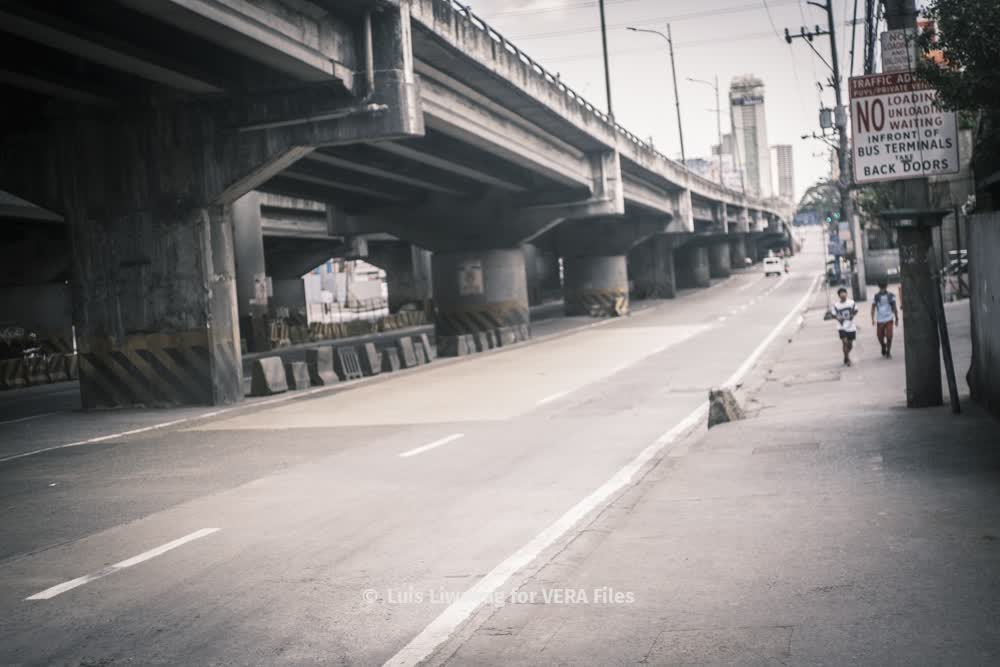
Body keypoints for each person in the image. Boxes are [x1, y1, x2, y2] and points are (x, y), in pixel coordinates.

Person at [871, 279, 900, 358]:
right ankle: (883, 346)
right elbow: (873, 308)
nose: (883, 289)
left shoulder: (891, 296)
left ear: (886, 286)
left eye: (884, 287)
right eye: (881, 287)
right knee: (879, 336)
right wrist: (872, 319)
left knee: (889, 336)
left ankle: (888, 351)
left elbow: (894, 307)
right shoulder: (876, 296)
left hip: (889, 318)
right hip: (880, 319)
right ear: (879, 287)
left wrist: (897, 318)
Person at [831, 287, 858, 367]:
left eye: (844, 293)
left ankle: (846, 356)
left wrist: (852, 315)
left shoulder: (851, 303)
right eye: (841, 294)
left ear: (846, 294)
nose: (843, 295)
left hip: (851, 326)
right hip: (841, 327)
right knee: (845, 342)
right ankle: (848, 359)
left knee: (850, 344)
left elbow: (856, 310)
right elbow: (833, 314)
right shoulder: (836, 305)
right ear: (839, 295)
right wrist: (837, 317)